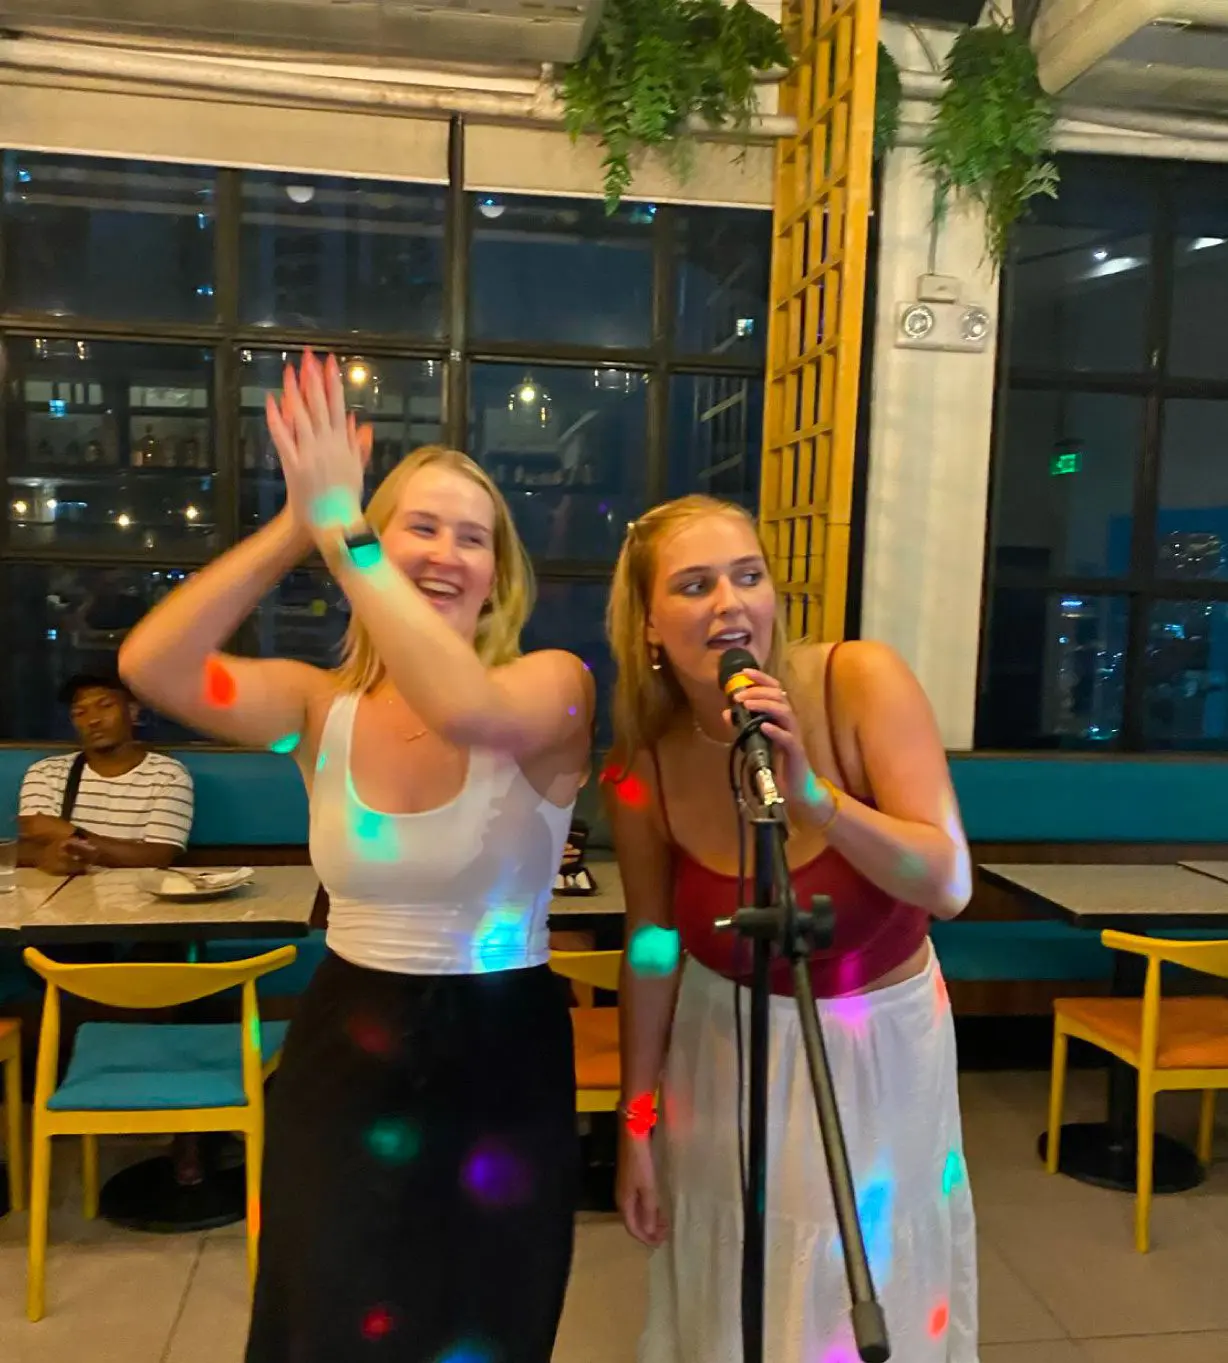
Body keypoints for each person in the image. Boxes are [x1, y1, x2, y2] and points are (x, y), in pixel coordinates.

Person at [118, 350, 594, 1363]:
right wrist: (299, 523)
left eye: (473, 536)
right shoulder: (315, 707)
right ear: (378, 537)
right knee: (323, 1319)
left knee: (481, 1322)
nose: (446, 551)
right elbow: (150, 664)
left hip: (502, 1053)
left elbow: (464, 708)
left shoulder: (551, 685)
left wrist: (350, 537)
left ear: (498, 576)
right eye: (420, 525)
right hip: (348, 1043)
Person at [604, 495, 977, 1363]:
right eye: (694, 585)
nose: (730, 603)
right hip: (722, 1047)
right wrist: (637, 1118)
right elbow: (653, 945)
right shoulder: (642, 767)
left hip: (877, 1045)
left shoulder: (858, 682)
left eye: (748, 576)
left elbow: (949, 882)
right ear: (649, 625)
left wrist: (814, 798)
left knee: (857, 1278)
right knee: (739, 1278)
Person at [18, 669, 194, 874]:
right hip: (61, 889)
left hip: (136, 892)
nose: (93, 720)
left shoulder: (168, 775)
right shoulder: (46, 773)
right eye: (80, 713)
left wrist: (70, 833)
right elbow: (29, 845)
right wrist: (49, 857)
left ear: (133, 711)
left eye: (105, 706)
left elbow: (158, 856)